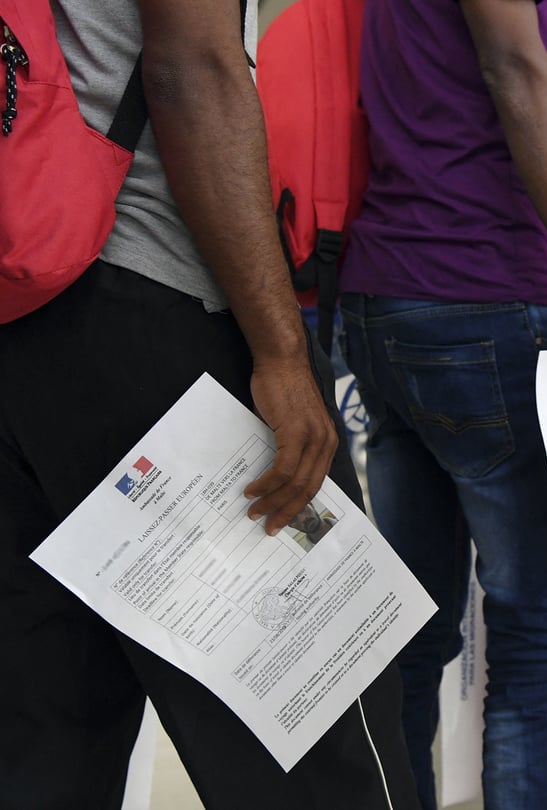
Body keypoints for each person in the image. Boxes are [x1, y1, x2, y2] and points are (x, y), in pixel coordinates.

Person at [0, 1, 421, 808]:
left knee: (46, 746)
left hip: (18, 318)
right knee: (321, 738)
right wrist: (282, 351)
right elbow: (191, 69)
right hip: (148, 308)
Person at [338, 0, 547, 807]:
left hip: (386, 295)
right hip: (482, 290)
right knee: (537, 639)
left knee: (411, 628)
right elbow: (515, 72)